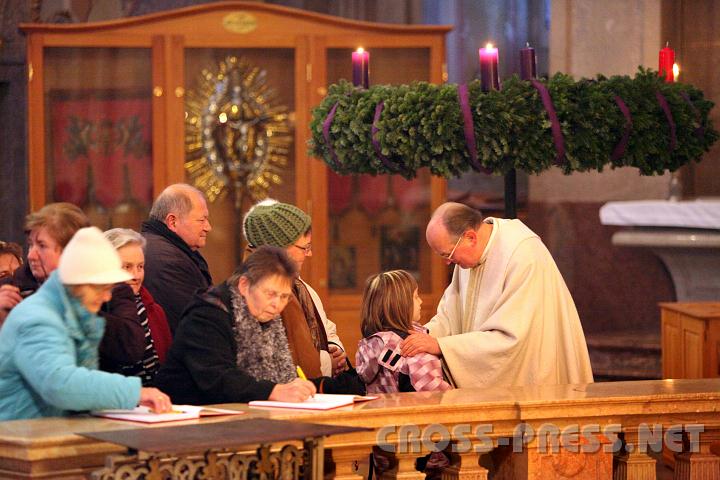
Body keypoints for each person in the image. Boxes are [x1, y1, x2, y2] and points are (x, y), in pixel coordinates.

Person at [401, 202, 593, 388]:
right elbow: (450, 316)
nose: (447, 263)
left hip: (532, 385)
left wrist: (441, 346)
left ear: (470, 237)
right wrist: (419, 336)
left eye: (447, 255)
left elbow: (513, 340)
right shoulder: (467, 257)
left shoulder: (522, 255)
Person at [0, 227, 172, 420]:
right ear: (78, 284)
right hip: (15, 439)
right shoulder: (39, 318)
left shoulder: (77, 316)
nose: (107, 296)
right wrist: (135, 392)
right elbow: (60, 384)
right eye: (101, 288)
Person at [154, 246, 317, 405]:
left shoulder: (266, 317)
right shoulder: (206, 314)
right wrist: (273, 391)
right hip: (187, 416)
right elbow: (217, 378)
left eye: (284, 297)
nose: (277, 305)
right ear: (244, 285)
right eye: (271, 294)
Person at [243, 200, 348, 378]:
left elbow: (326, 327)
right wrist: (327, 362)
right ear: (279, 247)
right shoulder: (259, 290)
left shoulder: (300, 285)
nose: (310, 253)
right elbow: (279, 354)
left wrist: (335, 349)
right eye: (304, 247)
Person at [356, 270, 451, 393]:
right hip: (413, 411)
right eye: (416, 297)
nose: (420, 301)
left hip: (381, 410)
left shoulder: (372, 346)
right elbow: (439, 397)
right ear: (401, 304)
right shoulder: (414, 348)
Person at [99, 228, 172, 386]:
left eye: (140, 267)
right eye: (127, 267)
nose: (136, 276)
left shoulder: (154, 311)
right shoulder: (96, 314)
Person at [0, 203, 90, 327]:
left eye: (42, 246)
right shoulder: (7, 290)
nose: (31, 256)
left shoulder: (106, 289)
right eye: (31, 244)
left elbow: (123, 336)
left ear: (70, 250)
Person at [142, 183, 213, 334]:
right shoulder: (168, 261)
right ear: (172, 222)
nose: (208, 227)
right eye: (202, 220)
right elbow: (198, 324)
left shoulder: (169, 249)